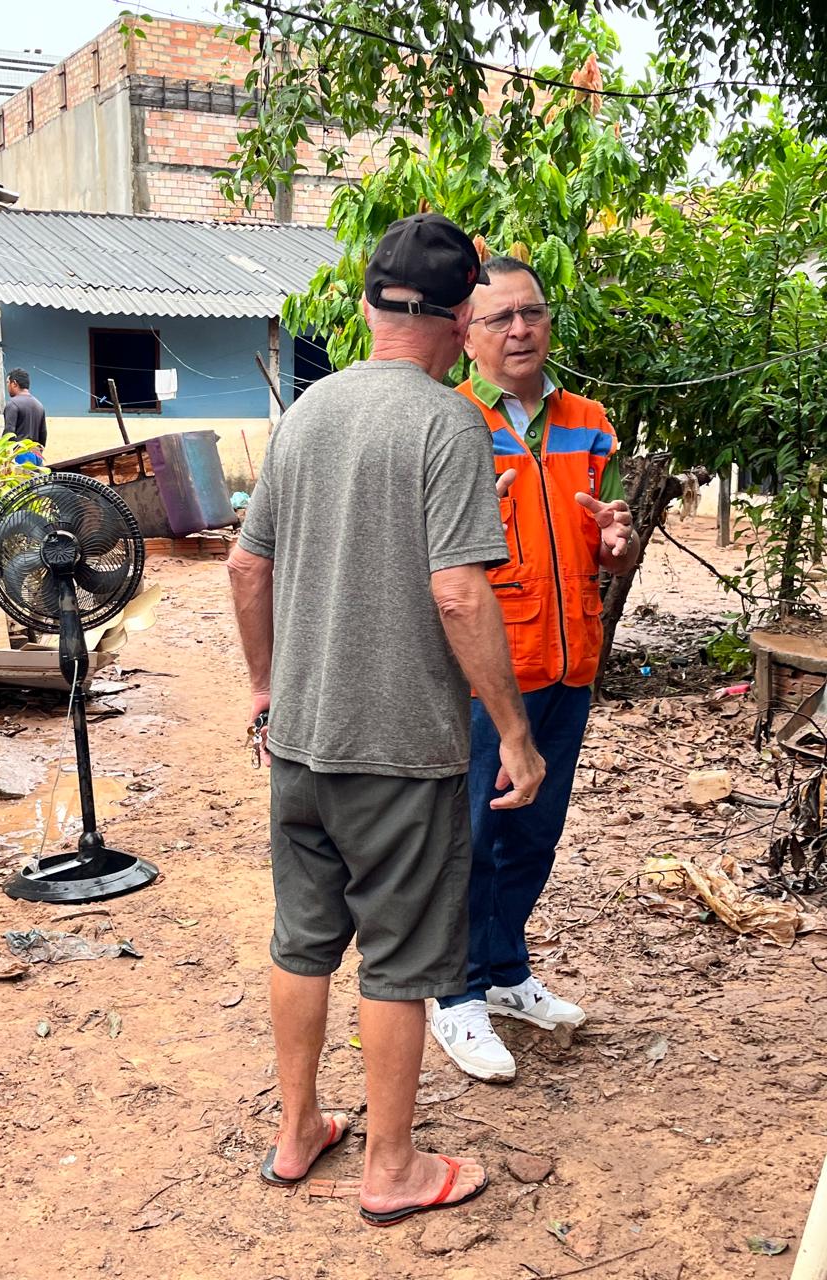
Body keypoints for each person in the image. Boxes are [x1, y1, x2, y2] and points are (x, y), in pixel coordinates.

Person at [228, 214, 545, 1226]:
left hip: (302, 740)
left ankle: (297, 1132)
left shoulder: (309, 411)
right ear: (461, 321)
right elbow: (459, 593)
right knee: (401, 960)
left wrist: (267, 687)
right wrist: (517, 729)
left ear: (368, 306)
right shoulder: (449, 420)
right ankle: (394, 1166)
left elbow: (246, 565)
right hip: (400, 748)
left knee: (302, 940)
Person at [430, 255, 640, 1082]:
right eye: (498, 318)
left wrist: (617, 546)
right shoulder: (450, 424)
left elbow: (610, 546)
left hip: (571, 665)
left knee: (535, 833)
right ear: (466, 335)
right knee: (473, 835)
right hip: (487, 677)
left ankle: (507, 970)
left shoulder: (589, 422)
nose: (520, 329)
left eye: (533, 312)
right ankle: (455, 997)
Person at [4, 368, 46, 464]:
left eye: (7, 383)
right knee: (36, 479)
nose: (7, 386)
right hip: (37, 454)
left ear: (14, 383)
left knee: (22, 479)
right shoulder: (39, 405)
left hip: (20, 454)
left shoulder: (12, 404)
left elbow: (9, 433)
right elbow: (43, 434)